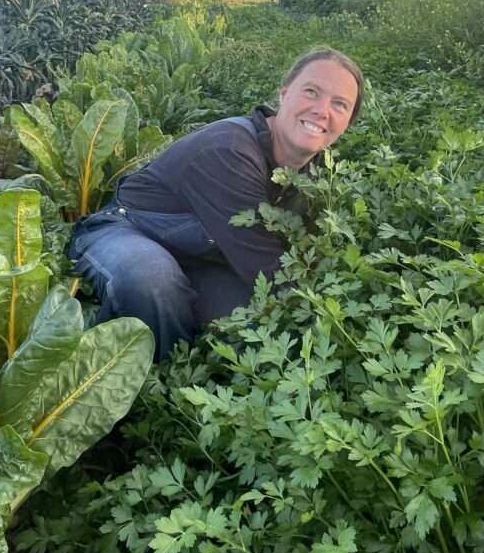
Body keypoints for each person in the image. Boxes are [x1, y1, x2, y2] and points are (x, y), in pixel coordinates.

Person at [68, 47, 364, 359]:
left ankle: (176, 341)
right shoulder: (230, 150)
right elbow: (265, 265)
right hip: (128, 230)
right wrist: (342, 321)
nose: (322, 110)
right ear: (284, 94)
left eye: (339, 104)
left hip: (198, 256)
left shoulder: (317, 176)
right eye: (311, 91)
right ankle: (157, 380)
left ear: (347, 122)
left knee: (246, 310)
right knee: (150, 280)